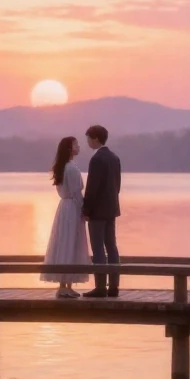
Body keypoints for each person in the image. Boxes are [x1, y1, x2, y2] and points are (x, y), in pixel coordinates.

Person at [42, 136, 91, 298]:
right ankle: (65, 286)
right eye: (76, 144)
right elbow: (77, 193)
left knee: (63, 243)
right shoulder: (72, 168)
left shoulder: (62, 167)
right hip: (72, 208)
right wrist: (84, 209)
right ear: (70, 149)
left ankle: (64, 285)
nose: (79, 147)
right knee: (71, 243)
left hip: (64, 207)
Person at [81, 124, 121, 298]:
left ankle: (100, 287)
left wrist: (86, 209)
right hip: (111, 208)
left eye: (88, 138)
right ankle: (113, 286)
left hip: (98, 211)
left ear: (95, 138)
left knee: (98, 248)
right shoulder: (114, 157)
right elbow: (117, 185)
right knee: (111, 247)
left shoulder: (97, 159)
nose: (88, 142)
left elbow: (92, 188)